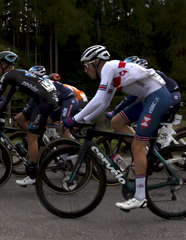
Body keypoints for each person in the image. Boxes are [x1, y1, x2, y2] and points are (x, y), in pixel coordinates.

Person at [65, 45, 171, 211]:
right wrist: (83, 120)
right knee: (116, 122)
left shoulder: (108, 67)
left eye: (86, 66)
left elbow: (99, 99)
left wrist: (75, 119)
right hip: (149, 97)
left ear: (96, 62)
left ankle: (140, 197)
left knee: (137, 145)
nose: (85, 71)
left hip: (157, 96)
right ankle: (144, 149)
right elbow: (105, 103)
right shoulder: (111, 72)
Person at [0, 51, 59, 187]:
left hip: (43, 101)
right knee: (23, 121)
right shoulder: (19, 74)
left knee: (31, 138)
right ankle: (39, 140)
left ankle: (33, 174)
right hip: (48, 98)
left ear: (4, 65)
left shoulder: (7, 76)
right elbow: (6, 99)